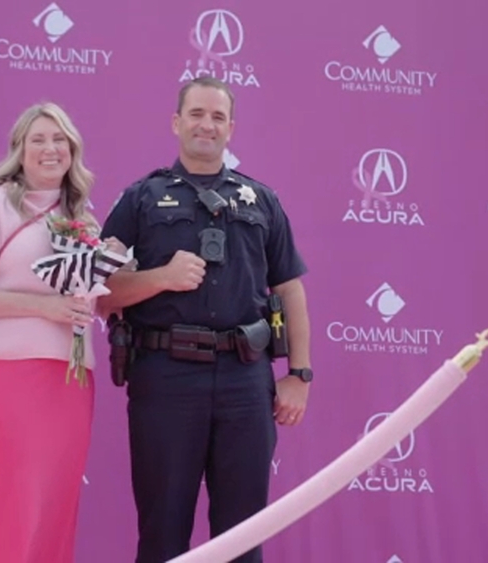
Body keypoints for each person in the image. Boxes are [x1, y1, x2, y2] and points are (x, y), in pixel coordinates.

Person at [97, 76, 314, 563]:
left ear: (231, 128)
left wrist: (298, 375)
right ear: (176, 122)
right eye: (196, 114)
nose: (206, 125)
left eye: (218, 117)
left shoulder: (261, 200)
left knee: (243, 536)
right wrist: (162, 278)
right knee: (162, 532)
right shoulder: (140, 198)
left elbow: (289, 289)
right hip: (165, 379)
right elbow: (104, 294)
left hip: (245, 381)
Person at [0, 102, 116, 563]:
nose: (50, 149)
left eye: (60, 140)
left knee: (56, 505)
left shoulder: (83, 218)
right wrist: (45, 308)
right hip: (6, 376)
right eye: (38, 139)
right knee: (15, 503)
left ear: (73, 150)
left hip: (70, 380)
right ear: (19, 150)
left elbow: (90, 296)